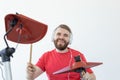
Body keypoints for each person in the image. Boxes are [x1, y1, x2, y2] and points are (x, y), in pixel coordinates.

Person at [26, 24, 96, 80]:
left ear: (69, 40)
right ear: (53, 37)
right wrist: (29, 73)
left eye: (65, 35)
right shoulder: (46, 56)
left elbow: (93, 77)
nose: (61, 37)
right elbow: (31, 77)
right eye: (58, 34)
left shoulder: (78, 55)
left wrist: (88, 77)